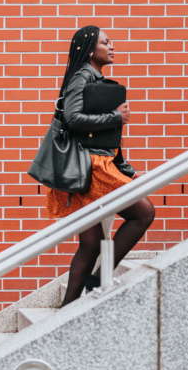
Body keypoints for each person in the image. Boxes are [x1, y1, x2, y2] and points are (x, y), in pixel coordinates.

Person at [47, 25, 156, 307]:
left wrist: (127, 170)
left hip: (97, 164)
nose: (112, 47)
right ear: (90, 48)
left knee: (91, 242)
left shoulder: (94, 79)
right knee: (143, 212)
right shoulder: (82, 76)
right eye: (106, 43)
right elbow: (72, 120)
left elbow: (106, 139)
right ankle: (99, 278)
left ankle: (67, 309)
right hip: (91, 168)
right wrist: (114, 116)